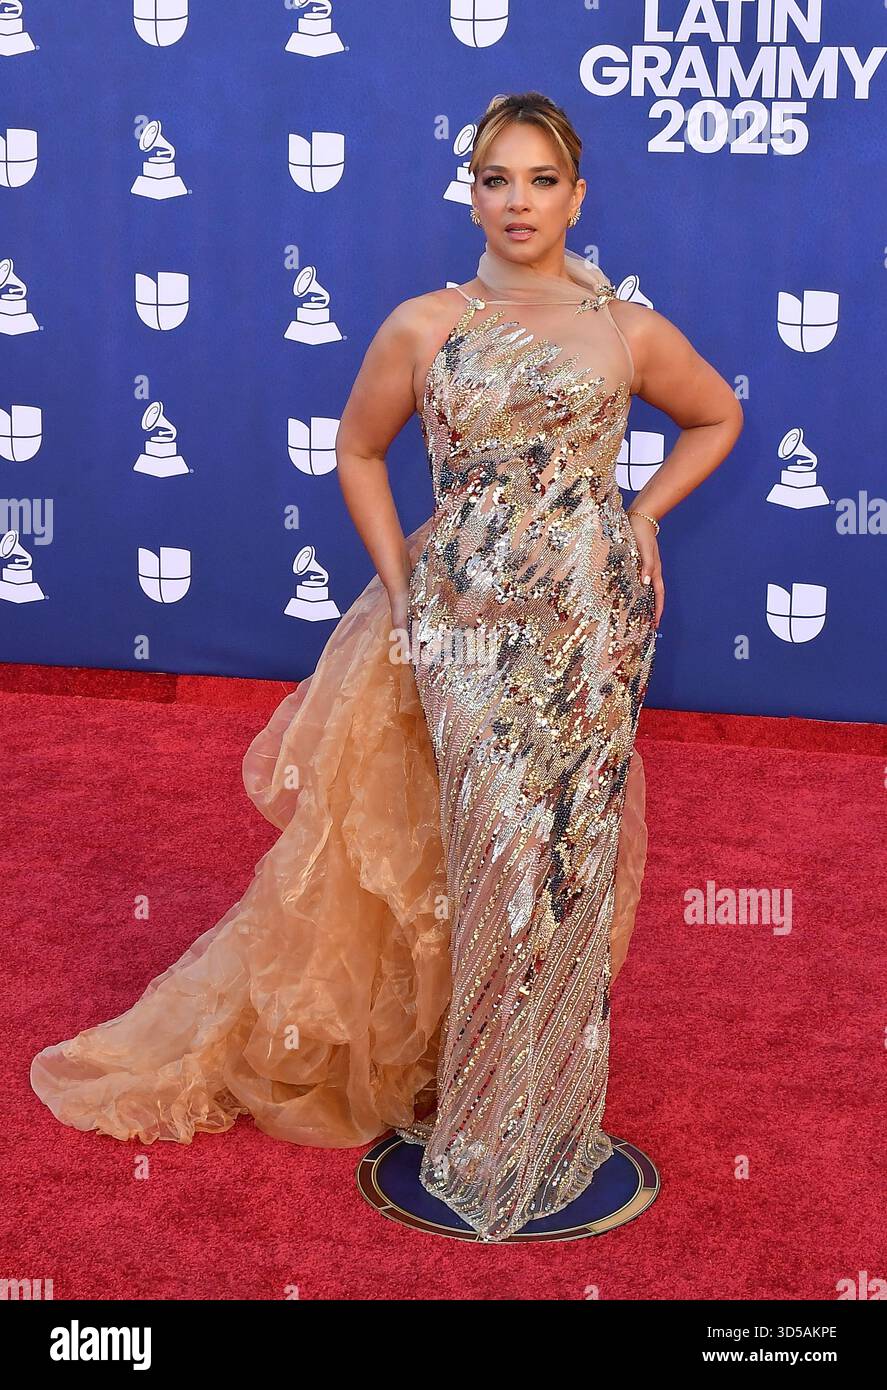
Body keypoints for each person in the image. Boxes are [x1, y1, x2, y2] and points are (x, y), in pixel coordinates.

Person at [30, 91, 743, 1243]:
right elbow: (359, 450)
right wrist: (407, 588)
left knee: (568, 862)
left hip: (589, 625)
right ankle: (479, 1125)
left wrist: (641, 519)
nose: (518, 201)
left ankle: (550, 1119)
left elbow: (715, 419)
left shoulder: (627, 327)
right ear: (471, 192)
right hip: (462, 618)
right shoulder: (425, 323)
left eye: (540, 180)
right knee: (493, 852)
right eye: (496, 179)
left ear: (577, 194)